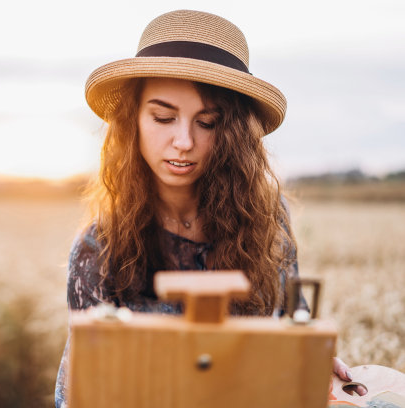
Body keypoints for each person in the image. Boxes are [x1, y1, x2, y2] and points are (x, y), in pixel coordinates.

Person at [55, 9, 362, 407]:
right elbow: (78, 394)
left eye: (208, 122)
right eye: (163, 117)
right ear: (132, 120)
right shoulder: (99, 248)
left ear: (233, 132)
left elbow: (291, 321)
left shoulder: (269, 218)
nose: (183, 141)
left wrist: (311, 360)